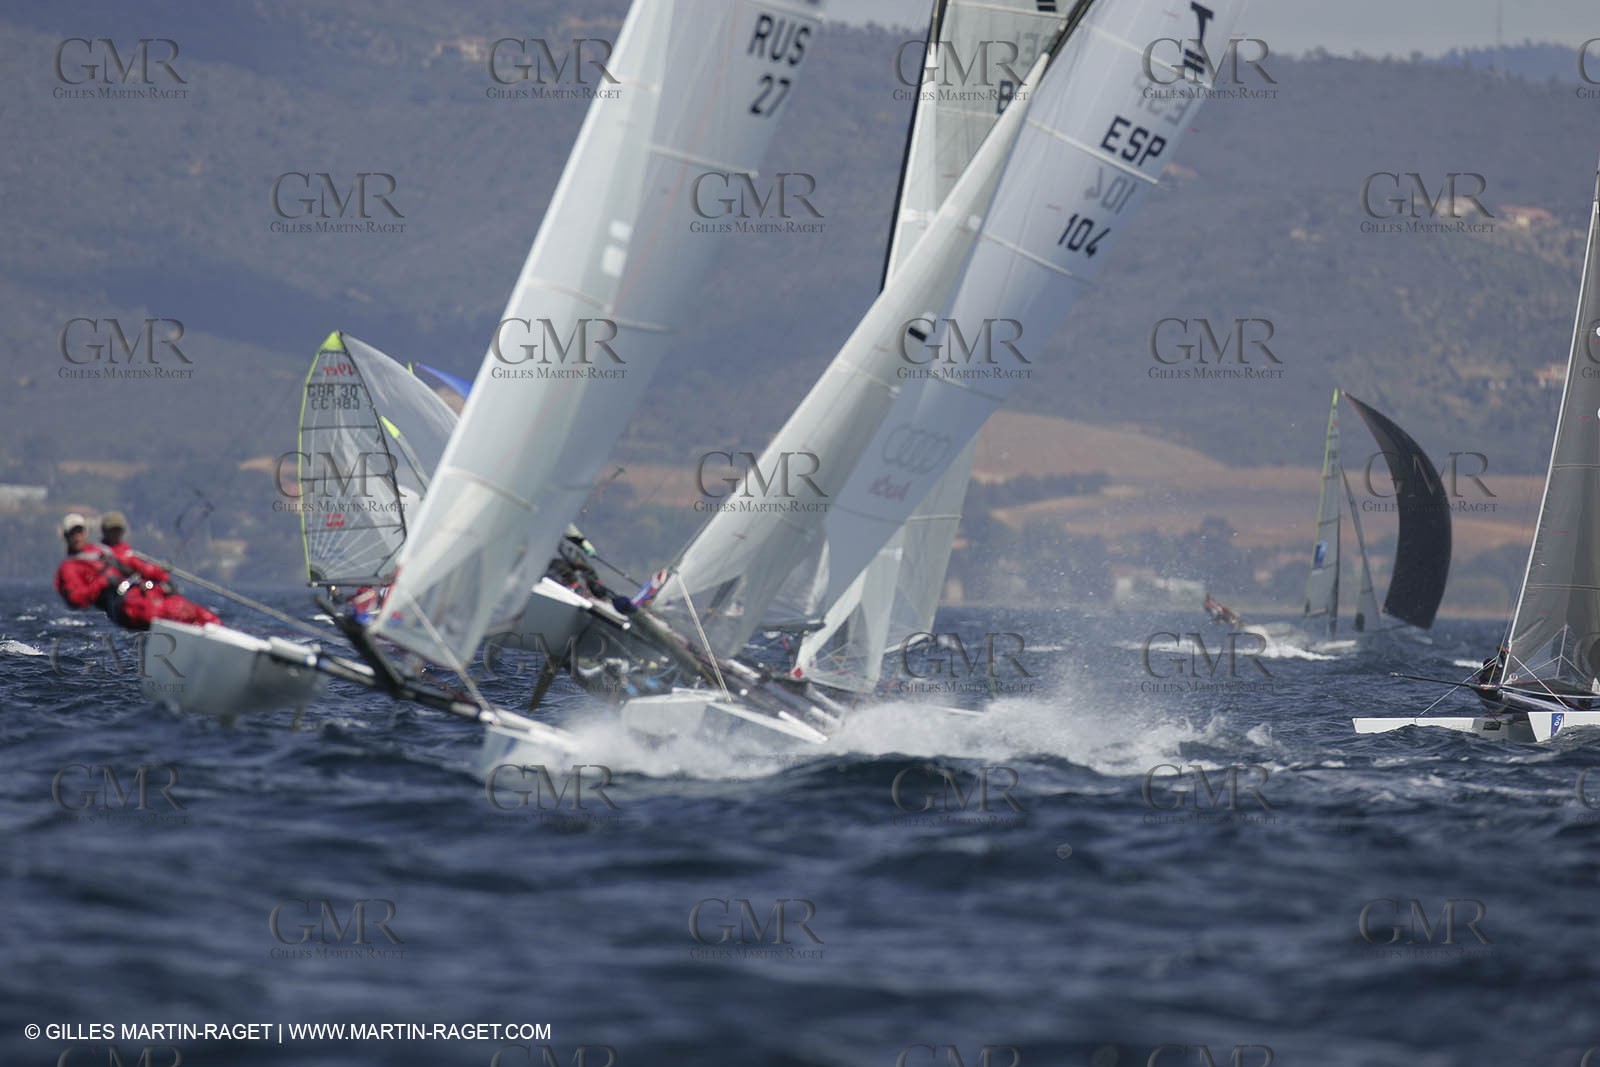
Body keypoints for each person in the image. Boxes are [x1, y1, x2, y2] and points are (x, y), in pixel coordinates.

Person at [54, 513, 220, 629]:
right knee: (170, 613)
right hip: (124, 607)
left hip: (144, 596)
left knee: (200, 614)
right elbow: (75, 599)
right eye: (71, 533)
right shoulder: (70, 567)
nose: (76, 537)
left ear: (85, 532)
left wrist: (161, 575)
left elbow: (134, 564)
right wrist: (102, 583)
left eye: (79, 531)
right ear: (65, 536)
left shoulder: (102, 552)